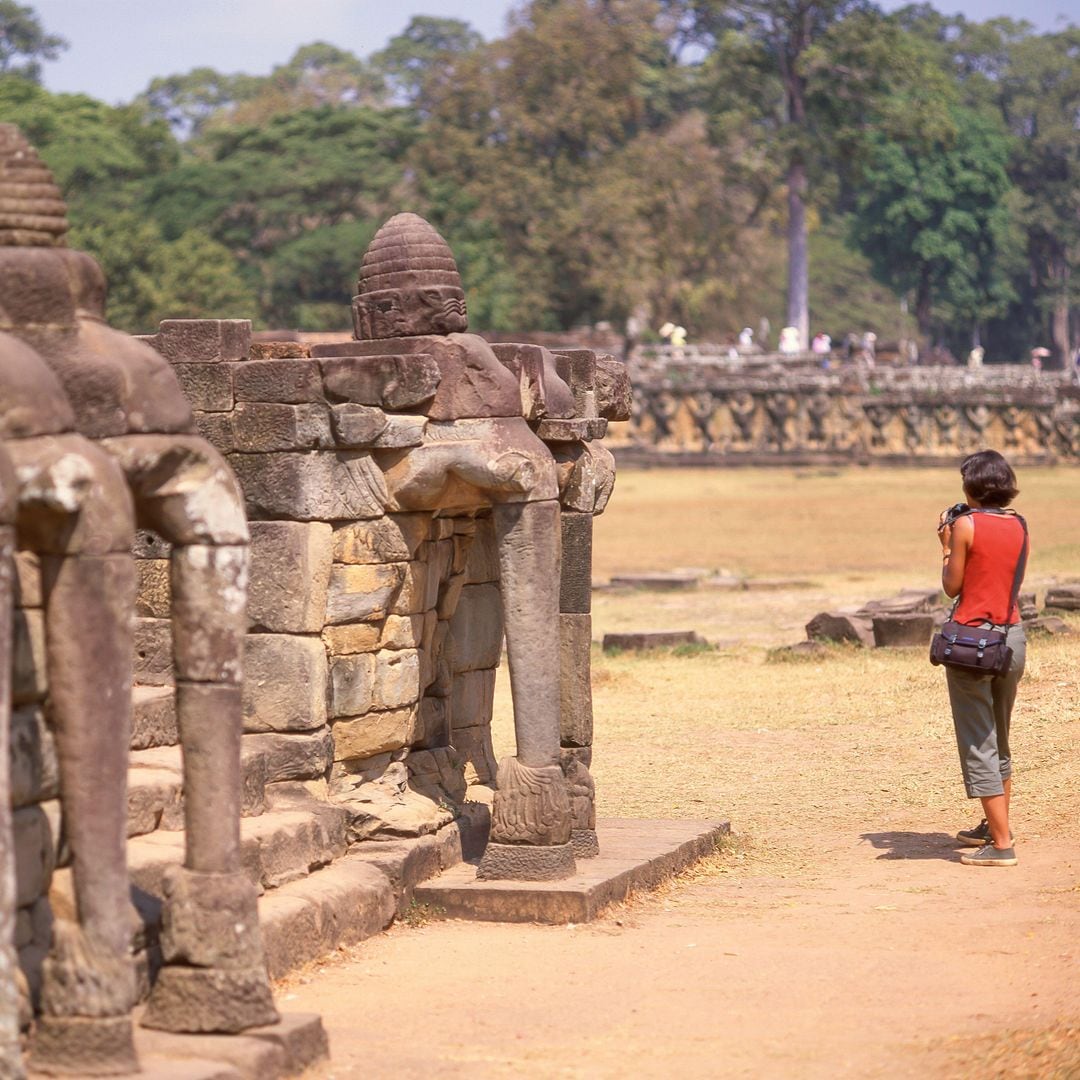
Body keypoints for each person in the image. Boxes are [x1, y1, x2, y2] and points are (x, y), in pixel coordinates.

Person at [937, 450, 1028, 867]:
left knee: (979, 742)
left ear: (972, 487)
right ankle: (993, 826)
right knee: (1000, 739)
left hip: (974, 643)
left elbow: (952, 587)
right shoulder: (1020, 525)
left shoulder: (965, 526)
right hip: (1011, 639)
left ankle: (1003, 844)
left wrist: (946, 546)